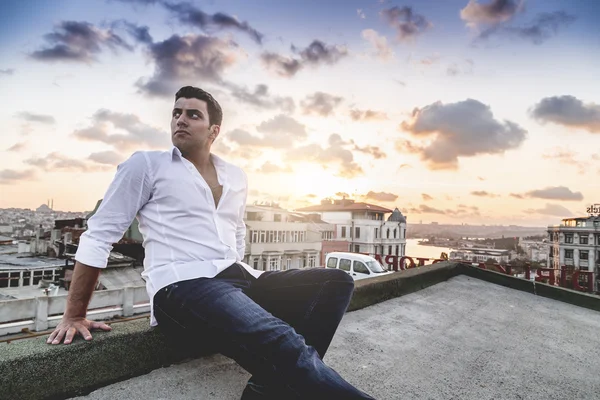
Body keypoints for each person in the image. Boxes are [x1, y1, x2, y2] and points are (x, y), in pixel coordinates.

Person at [46, 86, 375, 399]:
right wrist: (74, 315)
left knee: (336, 281)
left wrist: (240, 295)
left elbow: (237, 230)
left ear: (213, 130)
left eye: (192, 114)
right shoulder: (146, 165)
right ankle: (284, 380)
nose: (180, 120)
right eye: (176, 113)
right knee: (281, 338)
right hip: (182, 287)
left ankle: (270, 388)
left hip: (237, 278)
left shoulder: (235, 175)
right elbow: (100, 233)